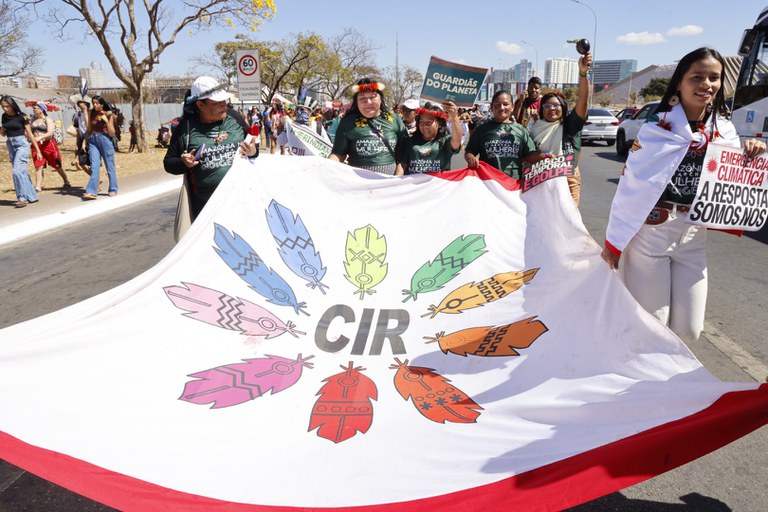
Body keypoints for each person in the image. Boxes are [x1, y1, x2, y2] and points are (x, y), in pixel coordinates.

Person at [601, 47, 766, 343]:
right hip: (652, 233)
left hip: (693, 237)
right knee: (651, 327)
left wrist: (752, 153)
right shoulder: (655, 129)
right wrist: (614, 243)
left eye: (714, 78)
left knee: (689, 330)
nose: (707, 84)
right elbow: (631, 189)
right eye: (697, 77)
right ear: (679, 82)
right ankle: (647, 387)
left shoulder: (726, 131)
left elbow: (731, 181)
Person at [163, 76, 258, 218]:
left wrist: (253, 151)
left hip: (243, 201)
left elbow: (253, 149)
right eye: (217, 102)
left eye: (224, 101)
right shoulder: (185, 127)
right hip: (206, 211)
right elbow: (169, 164)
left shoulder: (234, 117)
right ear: (200, 105)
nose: (223, 105)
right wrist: (184, 163)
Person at [527, 52, 592, 205]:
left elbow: (583, 100)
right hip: (541, 180)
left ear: (563, 108)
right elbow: (528, 156)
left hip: (567, 179)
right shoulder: (535, 129)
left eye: (556, 105)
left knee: (570, 221)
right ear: (542, 109)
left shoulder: (570, 125)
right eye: (547, 106)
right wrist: (541, 157)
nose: (552, 109)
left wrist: (583, 73)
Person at [329, 78, 408, 175]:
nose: (368, 102)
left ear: (381, 99)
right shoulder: (347, 122)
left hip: (389, 184)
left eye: (373, 97)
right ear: (356, 102)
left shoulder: (394, 119)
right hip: (358, 184)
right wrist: (327, 165)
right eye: (362, 98)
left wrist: (398, 177)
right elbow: (338, 154)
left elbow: (406, 151)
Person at [464, 90, 546, 179]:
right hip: (487, 182)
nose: (502, 108)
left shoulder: (521, 130)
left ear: (512, 107)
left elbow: (529, 156)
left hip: (513, 185)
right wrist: (470, 158)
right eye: (497, 105)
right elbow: (469, 150)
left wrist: (544, 157)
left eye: (505, 104)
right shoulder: (482, 129)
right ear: (492, 107)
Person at [1, 96, 40, 207]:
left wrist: (38, 150)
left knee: (16, 171)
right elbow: (4, 134)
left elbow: (30, 134)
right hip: (10, 144)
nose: (5, 109)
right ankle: (32, 196)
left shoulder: (22, 116)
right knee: (22, 172)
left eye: (7, 106)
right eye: (3, 106)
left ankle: (22, 198)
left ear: (12, 105)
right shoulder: (3, 117)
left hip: (21, 144)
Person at [403, 101, 462, 174]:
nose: (424, 126)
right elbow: (402, 165)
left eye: (429, 122)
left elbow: (457, 141)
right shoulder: (410, 141)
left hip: (437, 184)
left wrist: (454, 115)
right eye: (421, 122)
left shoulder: (445, 141)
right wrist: (395, 181)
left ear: (439, 124)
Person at [29, 102, 71, 192]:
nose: (33, 110)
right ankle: (38, 186)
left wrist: (40, 137)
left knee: (56, 165)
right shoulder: (32, 121)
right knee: (38, 166)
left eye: (35, 108)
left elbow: (50, 133)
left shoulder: (47, 120)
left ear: (41, 109)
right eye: (33, 108)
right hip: (36, 145)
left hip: (48, 144)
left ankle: (66, 181)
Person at [82, 96, 118, 200]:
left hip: (105, 139)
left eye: (97, 103)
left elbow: (112, 133)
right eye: (93, 103)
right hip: (93, 140)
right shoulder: (91, 113)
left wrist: (106, 121)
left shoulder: (108, 114)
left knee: (110, 166)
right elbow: (89, 129)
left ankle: (113, 189)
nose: (94, 105)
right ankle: (92, 191)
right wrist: (84, 142)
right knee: (94, 166)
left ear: (102, 104)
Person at [72, 99, 90, 172]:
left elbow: (89, 127)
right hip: (81, 137)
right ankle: (94, 177)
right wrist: (78, 142)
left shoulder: (91, 113)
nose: (81, 105)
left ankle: (95, 178)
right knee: (82, 162)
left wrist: (85, 112)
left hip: (90, 138)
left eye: (83, 103)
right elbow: (78, 129)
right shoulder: (77, 115)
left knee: (92, 161)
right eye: (79, 103)